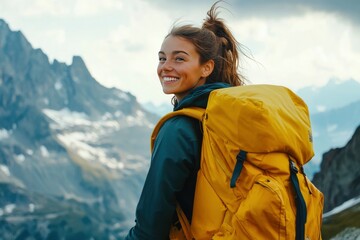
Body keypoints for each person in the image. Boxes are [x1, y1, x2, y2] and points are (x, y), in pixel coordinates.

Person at [125, 1, 247, 239]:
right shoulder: (227, 114)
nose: (166, 67)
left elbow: (149, 227)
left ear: (206, 68)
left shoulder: (178, 129)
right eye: (162, 58)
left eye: (179, 59)